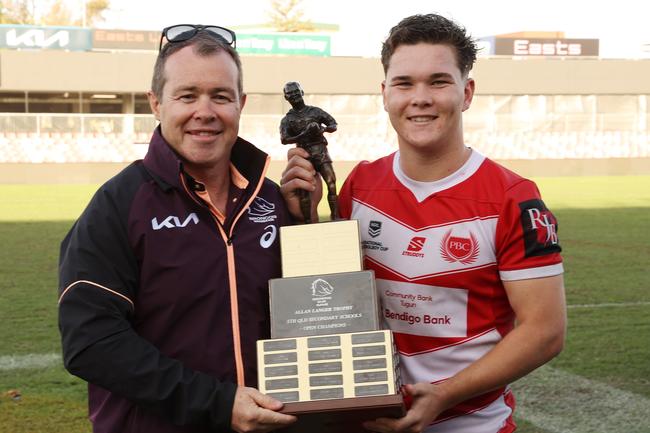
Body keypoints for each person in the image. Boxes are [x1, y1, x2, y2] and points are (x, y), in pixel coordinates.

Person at [280, 14, 566, 433]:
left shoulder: (512, 198)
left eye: (438, 81)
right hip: (366, 422)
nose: (420, 98)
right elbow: (331, 299)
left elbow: (545, 331)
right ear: (384, 94)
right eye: (404, 83)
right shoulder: (360, 184)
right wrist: (302, 217)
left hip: (472, 425)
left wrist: (445, 394)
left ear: (466, 92)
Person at [58, 24, 296, 433]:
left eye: (220, 96)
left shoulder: (273, 201)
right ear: (156, 103)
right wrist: (218, 404)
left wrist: (306, 219)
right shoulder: (118, 204)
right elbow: (91, 342)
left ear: (240, 104)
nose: (204, 111)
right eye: (187, 95)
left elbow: (315, 311)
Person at [280, 81, 338, 222]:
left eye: (296, 92)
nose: (294, 95)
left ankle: (335, 217)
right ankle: (307, 221)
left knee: (331, 183)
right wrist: (305, 133)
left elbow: (333, 124)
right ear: (286, 98)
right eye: (290, 94)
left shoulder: (315, 112)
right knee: (304, 192)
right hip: (304, 156)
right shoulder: (287, 119)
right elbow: (285, 139)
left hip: (320, 151)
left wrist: (322, 129)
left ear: (302, 92)